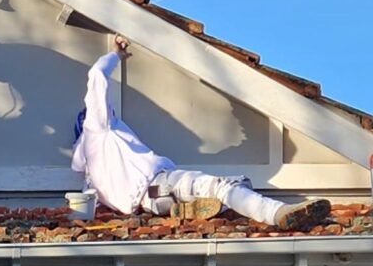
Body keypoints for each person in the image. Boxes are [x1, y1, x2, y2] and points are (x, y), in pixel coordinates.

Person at [74, 36, 333, 231]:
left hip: (151, 206)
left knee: (235, 186)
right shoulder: (97, 128)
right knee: (223, 186)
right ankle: (277, 213)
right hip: (161, 183)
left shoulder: (92, 179)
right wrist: (116, 53)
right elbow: (97, 75)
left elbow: (88, 209)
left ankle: (186, 211)